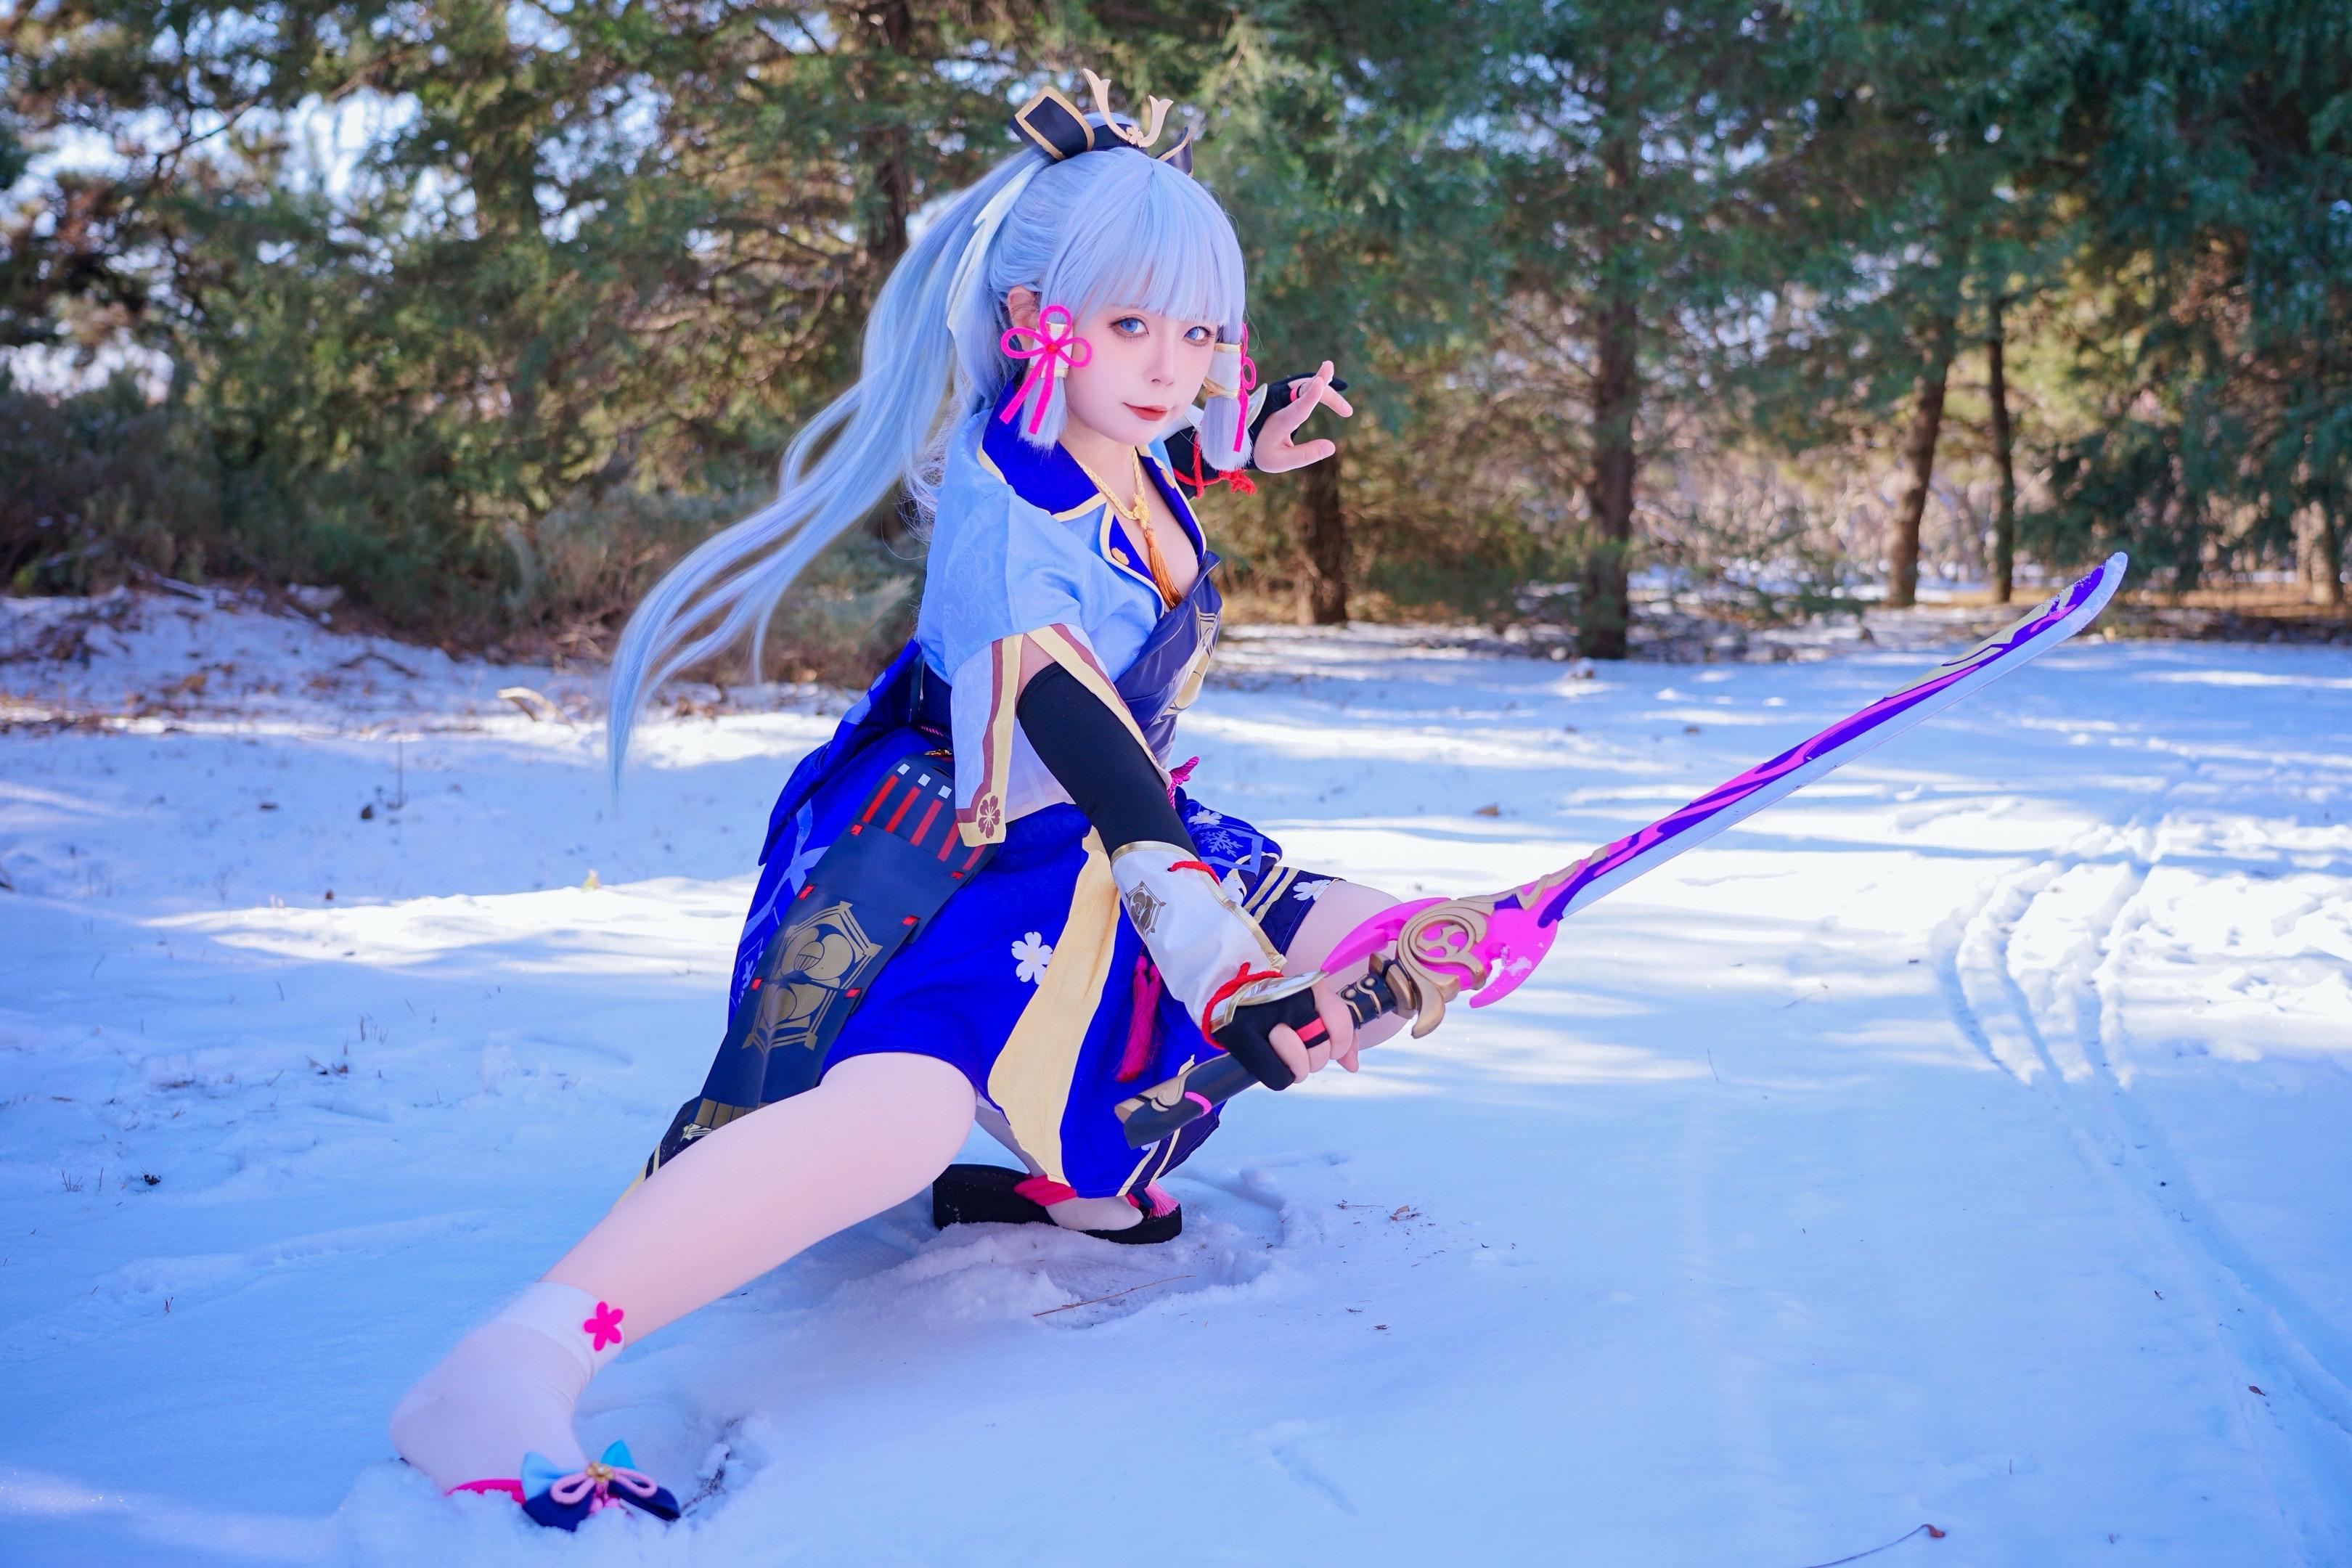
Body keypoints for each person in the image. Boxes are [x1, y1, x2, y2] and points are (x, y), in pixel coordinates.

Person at [388, 72, 1407, 1530]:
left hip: (1091, 831)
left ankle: (1075, 1177)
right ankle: (519, 1357)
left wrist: (1235, 445)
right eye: (1133, 326)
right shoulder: (1008, 528)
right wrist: (1226, 971)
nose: (1173, 366)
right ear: (1034, 322)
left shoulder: (1107, 442)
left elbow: (1141, 470)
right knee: (902, 1113)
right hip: (962, 843)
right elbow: (1110, 775)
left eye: (1200, 334)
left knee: (1394, 946)